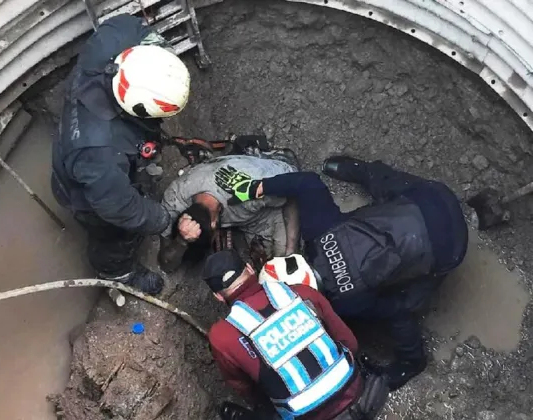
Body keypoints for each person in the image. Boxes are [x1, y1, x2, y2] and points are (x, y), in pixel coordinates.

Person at [213, 155, 468, 391]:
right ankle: (358, 169)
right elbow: (307, 182)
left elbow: (393, 309)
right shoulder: (319, 231)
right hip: (433, 197)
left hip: (451, 248)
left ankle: (412, 362)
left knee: (406, 303)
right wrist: (256, 187)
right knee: (386, 184)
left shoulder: (346, 302)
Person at [51, 14, 203, 293]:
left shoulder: (111, 43)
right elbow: (118, 208)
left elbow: (129, 24)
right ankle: (116, 272)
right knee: (114, 235)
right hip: (88, 195)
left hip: (92, 158)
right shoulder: (100, 153)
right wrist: (161, 218)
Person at [204, 249, 389, 420]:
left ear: (218, 296)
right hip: (357, 397)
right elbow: (350, 343)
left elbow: (246, 389)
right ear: (250, 269)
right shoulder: (301, 292)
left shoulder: (222, 337)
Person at [157, 150, 300, 272]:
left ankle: (269, 155)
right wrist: (181, 241)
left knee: (283, 263)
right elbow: (166, 264)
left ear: (214, 225)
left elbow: (293, 192)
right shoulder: (175, 197)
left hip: (275, 179)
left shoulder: (254, 191)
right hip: (236, 201)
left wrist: (290, 252)